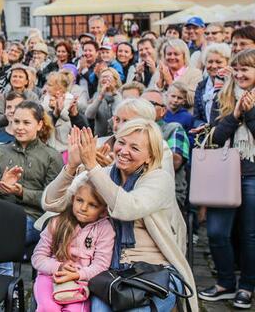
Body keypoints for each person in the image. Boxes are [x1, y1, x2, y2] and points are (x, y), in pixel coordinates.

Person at [46, 123, 197, 312]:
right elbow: (53, 203)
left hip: (154, 271)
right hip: (111, 272)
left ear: (150, 156)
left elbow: (126, 208)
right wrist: (71, 166)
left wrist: (93, 167)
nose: (123, 151)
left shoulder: (159, 179)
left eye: (134, 148)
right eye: (121, 143)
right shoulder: (106, 173)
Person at [200, 49, 255, 308]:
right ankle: (225, 282)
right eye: (238, 69)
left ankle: (246, 286)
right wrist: (235, 116)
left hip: (252, 174)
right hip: (223, 171)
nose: (241, 74)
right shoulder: (222, 96)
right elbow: (214, 138)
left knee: (249, 235)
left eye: (247, 69)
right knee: (217, 232)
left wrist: (251, 112)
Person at [31, 174, 114, 312]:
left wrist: (77, 275)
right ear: (72, 198)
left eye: (92, 205)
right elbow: (38, 257)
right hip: (50, 277)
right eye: (79, 200)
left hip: (81, 282)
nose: (83, 208)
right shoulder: (57, 222)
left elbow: (101, 265)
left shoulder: (105, 230)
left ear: (104, 211)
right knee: (47, 308)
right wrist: (58, 267)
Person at [0, 100, 62, 247]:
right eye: (16, 122)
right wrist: (0, 186)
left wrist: (22, 192)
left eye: (26, 123)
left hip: (32, 217)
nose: (19, 127)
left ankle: (3, 271)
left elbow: (54, 200)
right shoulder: (0, 151)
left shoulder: (51, 156)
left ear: (39, 125)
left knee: (2, 233)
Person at [193, 43, 231, 128]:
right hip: (206, 135)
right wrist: (203, 126)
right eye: (210, 62)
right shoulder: (201, 86)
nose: (214, 66)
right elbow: (196, 117)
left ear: (227, 63)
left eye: (219, 62)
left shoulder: (232, 84)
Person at [85, 68, 122, 137]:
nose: (104, 79)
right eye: (102, 77)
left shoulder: (120, 96)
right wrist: (101, 96)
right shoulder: (97, 95)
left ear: (115, 80)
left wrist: (113, 93)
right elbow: (89, 115)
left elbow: (117, 116)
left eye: (108, 76)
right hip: (100, 137)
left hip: (116, 135)